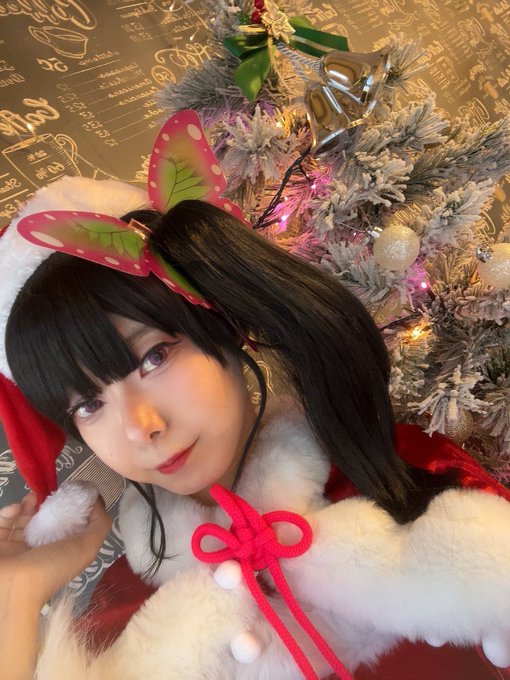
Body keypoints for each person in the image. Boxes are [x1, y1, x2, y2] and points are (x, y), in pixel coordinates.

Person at [0, 111, 509, 680]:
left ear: (222, 324)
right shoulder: (126, 607)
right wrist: (14, 594)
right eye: (88, 405)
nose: (140, 427)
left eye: (153, 357)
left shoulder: (420, 480)